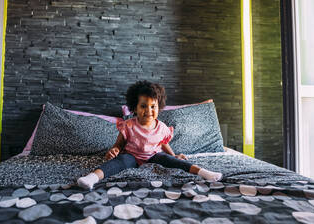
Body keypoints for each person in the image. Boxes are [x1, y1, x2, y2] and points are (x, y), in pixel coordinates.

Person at [77, 80, 222, 190]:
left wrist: (173, 155)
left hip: (154, 155)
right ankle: (91, 178)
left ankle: (204, 172)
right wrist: (113, 151)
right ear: (135, 107)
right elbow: (118, 145)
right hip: (132, 156)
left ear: (159, 107)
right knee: (118, 163)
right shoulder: (129, 125)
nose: (149, 110)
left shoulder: (161, 127)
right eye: (143, 106)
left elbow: (163, 142)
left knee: (175, 161)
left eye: (153, 106)